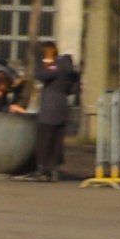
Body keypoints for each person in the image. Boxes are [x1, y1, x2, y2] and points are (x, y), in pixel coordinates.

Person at [30, 44, 80, 181]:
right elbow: (74, 88)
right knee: (57, 139)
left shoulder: (54, 67)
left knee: (44, 137)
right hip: (63, 105)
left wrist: (45, 65)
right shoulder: (69, 69)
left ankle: (42, 168)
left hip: (49, 105)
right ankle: (54, 168)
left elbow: (41, 75)